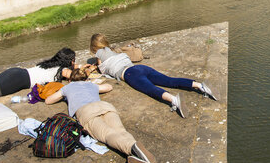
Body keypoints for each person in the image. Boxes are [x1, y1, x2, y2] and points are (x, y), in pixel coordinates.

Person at [45, 69, 158, 163]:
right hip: (105, 106)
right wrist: (91, 85)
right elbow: (108, 87)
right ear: (86, 79)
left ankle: (132, 148)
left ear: (70, 80)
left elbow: (48, 100)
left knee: (108, 134)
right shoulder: (91, 85)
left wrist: (64, 94)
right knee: (120, 131)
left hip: (86, 112)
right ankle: (137, 150)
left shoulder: (68, 87)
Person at [88, 33, 216, 118]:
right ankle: (200, 85)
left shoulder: (99, 53)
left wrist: (94, 66)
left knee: (150, 89)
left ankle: (174, 100)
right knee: (170, 80)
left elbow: (102, 68)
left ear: (95, 47)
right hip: (140, 68)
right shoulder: (112, 51)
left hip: (129, 74)